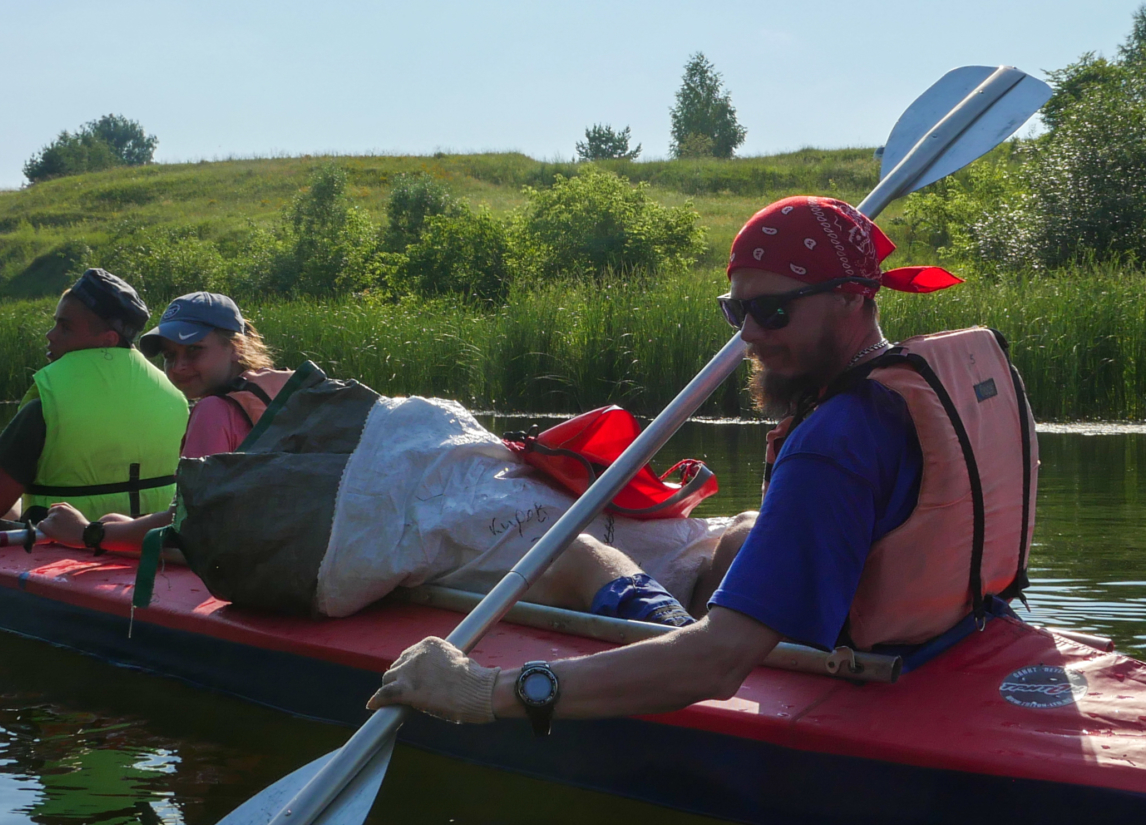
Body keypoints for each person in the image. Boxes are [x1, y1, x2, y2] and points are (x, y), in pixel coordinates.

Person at [369, 195, 990, 731]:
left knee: (578, 554)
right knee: (737, 539)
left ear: (854, 299)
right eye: (736, 309)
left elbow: (717, 666)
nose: (749, 334)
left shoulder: (834, 443)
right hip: (950, 639)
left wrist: (487, 692)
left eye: (773, 311)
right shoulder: (925, 384)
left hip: (842, 668)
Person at [0, 269, 189, 535]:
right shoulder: (177, 398)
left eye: (65, 327)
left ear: (108, 339)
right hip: (140, 540)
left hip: (59, 541)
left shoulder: (43, 409)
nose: (50, 335)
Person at [141, 291, 292, 456]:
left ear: (237, 347)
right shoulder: (286, 390)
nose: (178, 367)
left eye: (194, 349)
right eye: (169, 355)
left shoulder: (211, 411)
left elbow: (198, 482)